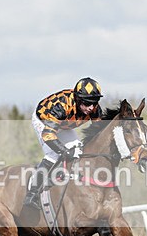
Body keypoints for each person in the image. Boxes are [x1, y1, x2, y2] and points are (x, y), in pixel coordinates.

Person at [23, 77, 103, 208]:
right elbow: (48, 135)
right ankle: (31, 194)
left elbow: (99, 133)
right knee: (54, 154)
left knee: (78, 149)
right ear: (78, 99)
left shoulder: (94, 109)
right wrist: (64, 151)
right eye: (87, 103)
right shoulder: (61, 107)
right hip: (44, 121)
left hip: (64, 125)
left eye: (94, 103)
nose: (91, 108)